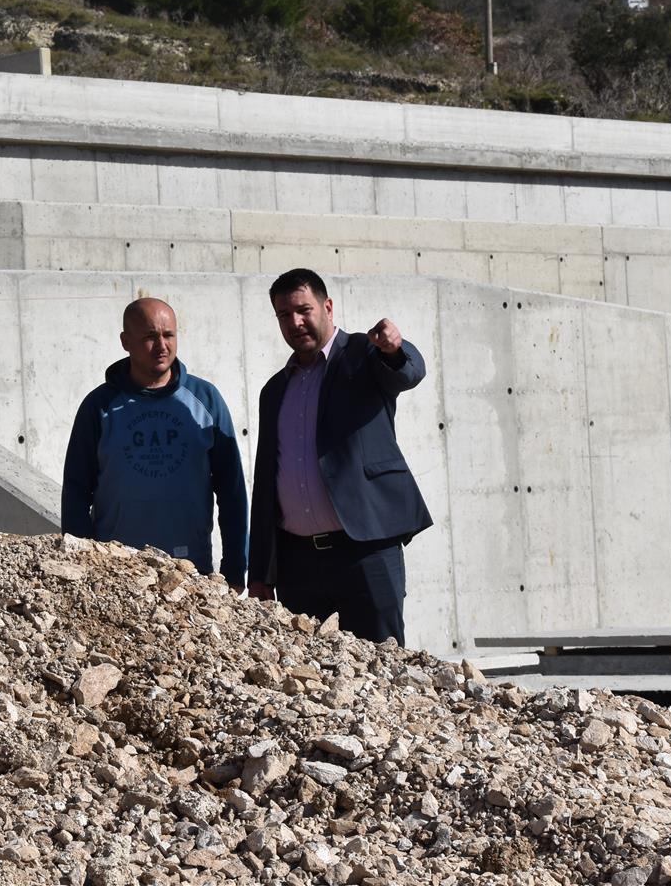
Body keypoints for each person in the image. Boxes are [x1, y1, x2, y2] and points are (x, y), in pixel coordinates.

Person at [246, 268, 431, 645]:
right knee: (311, 683)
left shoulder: (364, 354)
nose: (295, 322)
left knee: (383, 671)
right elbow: (266, 480)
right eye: (284, 315)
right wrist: (261, 570)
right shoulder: (275, 389)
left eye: (304, 310)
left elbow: (407, 371)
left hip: (365, 551)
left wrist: (395, 348)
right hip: (298, 566)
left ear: (328, 307)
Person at [62, 297, 248, 588]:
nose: (162, 346)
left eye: (169, 335)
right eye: (150, 337)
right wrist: (81, 566)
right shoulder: (99, 406)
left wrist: (235, 569)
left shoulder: (206, 400)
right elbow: (76, 490)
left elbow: (232, 490)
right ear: (125, 341)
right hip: (116, 572)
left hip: (190, 571)